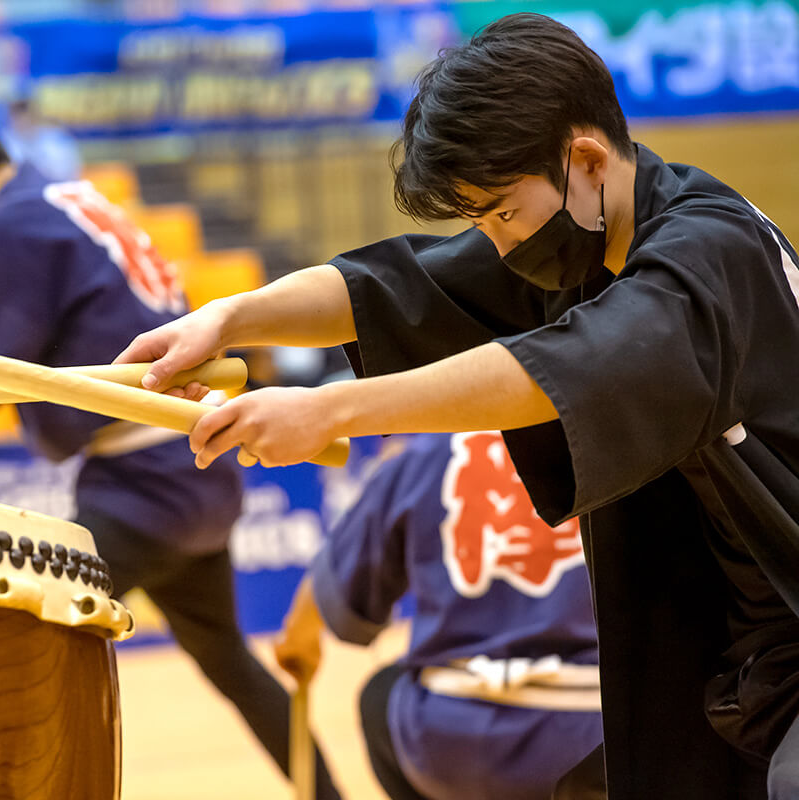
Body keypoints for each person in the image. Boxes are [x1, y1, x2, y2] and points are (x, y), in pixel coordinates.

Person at [115, 14, 799, 800]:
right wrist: (230, 316)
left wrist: (332, 411)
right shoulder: (590, 231)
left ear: (583, 158)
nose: (498, 245)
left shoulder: (705, 251)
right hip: (736, 652)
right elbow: (401, 285)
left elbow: (569, 370)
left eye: (500, 213)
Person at [0, 109, 344, 799]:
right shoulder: (61, 198)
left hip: (143, 488)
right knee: (225, 656)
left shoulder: (11, 229)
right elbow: (20, 329)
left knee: (14, 653)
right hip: (194, 467)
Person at [275, 432, 604, 800]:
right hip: (596, 741)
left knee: (380, 696)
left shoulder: (424, 450)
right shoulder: (621, 445)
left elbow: (326, 588)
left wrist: (296, 643)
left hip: (450, 734)